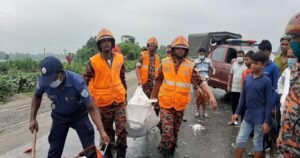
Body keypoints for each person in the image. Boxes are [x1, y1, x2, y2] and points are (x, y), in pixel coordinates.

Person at [29, 56, 109, 158]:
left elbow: (92, 108)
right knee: (54, 150)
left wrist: (102, 131)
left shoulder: (77, 82)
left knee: (90, 150)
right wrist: (32, 119)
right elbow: (37, 96)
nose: (50, 83)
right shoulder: (44, 82)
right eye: (47, 80)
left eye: (52, 79)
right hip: (59, 117)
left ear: (60, 73)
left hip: (79, 116)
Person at [150, 35, 217, 157]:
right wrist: (152, 98)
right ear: (173, 49)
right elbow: (158, 81)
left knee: (175, 132)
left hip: (180, 105)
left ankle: (171, 148)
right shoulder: (164, 63)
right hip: (165, 103)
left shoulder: (190, 66)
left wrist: (211, 96)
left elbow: (201, 82)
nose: (180, 50)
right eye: (178, 48)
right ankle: (165, 149)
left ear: (186, 51)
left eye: (183, 48)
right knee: (168, 131)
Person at [84, 28, 127, 158]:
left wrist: (125, 96)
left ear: (112, 43)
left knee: (122, 128)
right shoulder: (93, 61)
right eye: (103, 41)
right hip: (102, 104)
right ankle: (108, 151)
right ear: (99, 45)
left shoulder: (120, 58)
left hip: (119, 102)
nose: (106, 43)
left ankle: (121, 153)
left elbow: (122, 77)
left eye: (109, 41)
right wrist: (86, 101)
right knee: (107, 132)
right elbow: (84, 81)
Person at [232, 51, 273, 158]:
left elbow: (269, 103)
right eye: (253, 63)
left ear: (263, 65)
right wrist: (236, 113)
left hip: (260, 118)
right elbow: (243, 98)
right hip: (247, 116)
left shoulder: (266, 81)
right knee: (240, 140)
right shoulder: (247, 79)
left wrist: (266, 122)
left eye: (257, 63)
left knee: (258, 143)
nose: (253, 65)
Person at [277, 12, 300, 157]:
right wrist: (281, 133)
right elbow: (289, 105)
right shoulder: (294, 70)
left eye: (296, 38)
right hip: (288, 146)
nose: (293, 42)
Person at [136, 37, 161, 114]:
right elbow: (137, 68)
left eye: (154, 46)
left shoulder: (158, 57)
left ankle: (155, 119)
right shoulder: (142, 55)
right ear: (148, 46)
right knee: (146, 103)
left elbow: (160, 71)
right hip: (145, 84)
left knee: (156, 103)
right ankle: (145, 120)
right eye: (151, 45)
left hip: (155, 85)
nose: (152, 47)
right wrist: (139, 80)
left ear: (156, 47)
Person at [227, 50, 247, 125]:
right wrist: (228, 85)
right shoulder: (234, 64)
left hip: (242, 90)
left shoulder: (246, 65)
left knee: (242, 105)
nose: (239, 57)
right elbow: (230, 75)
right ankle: (234, 120)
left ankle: (242, 122)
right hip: (234, 88)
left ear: (244, 56)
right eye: (238, 56)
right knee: (234, 105)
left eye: (241, 56)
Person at [194, 48, 214, 118]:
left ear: (205, 53)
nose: (201, 55)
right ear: (199, 53)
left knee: (205, 97)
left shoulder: (208, 61)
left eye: (202, 54)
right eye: (200, 54)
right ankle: (197, 111)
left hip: (205, 80)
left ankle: (204, 112)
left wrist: (209, 77)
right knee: (198, 97)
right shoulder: (195, 61)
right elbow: (193, 71)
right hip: (197, 81)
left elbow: (211, 69)